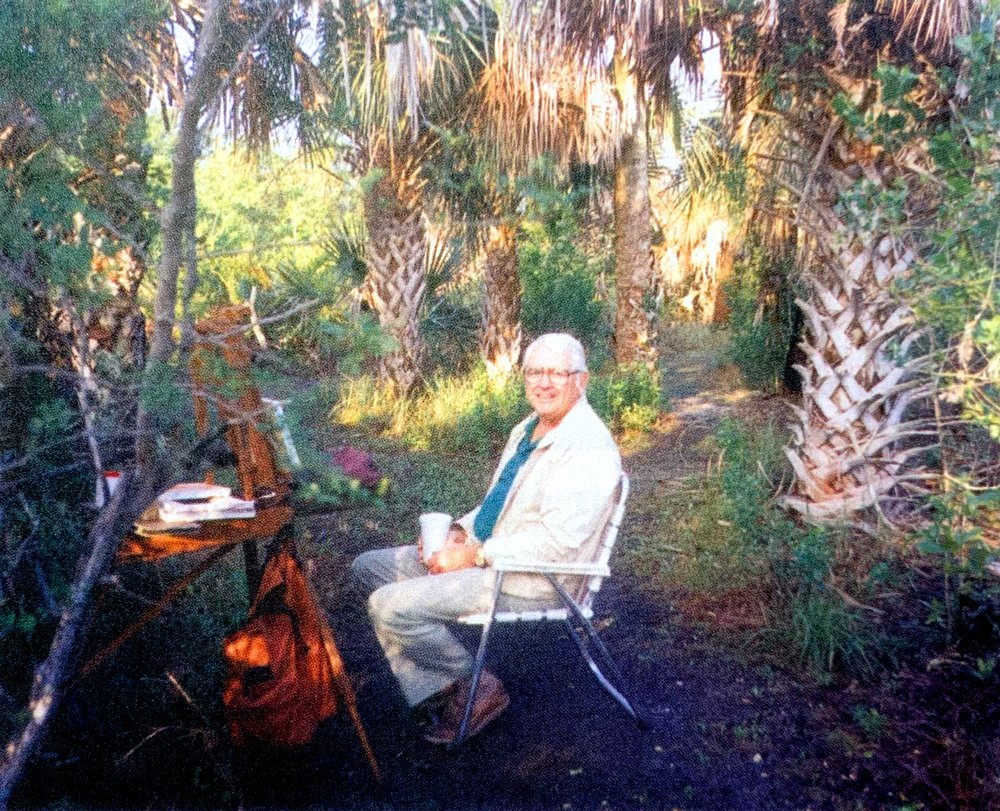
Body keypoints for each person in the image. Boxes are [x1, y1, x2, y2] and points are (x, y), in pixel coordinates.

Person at [350, 333, 622, 744]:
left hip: (536, 578)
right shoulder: (527, 429)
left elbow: (558, 546)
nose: (543, 383)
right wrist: (458, 533)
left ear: (581, 380)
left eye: (556, 373)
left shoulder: (588, 448)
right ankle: (443, 684)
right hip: (494, 557)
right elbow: (497, 502)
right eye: (534, 372)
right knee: (369, 568)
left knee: (387, 605)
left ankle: (476, 687)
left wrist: (474, 555)